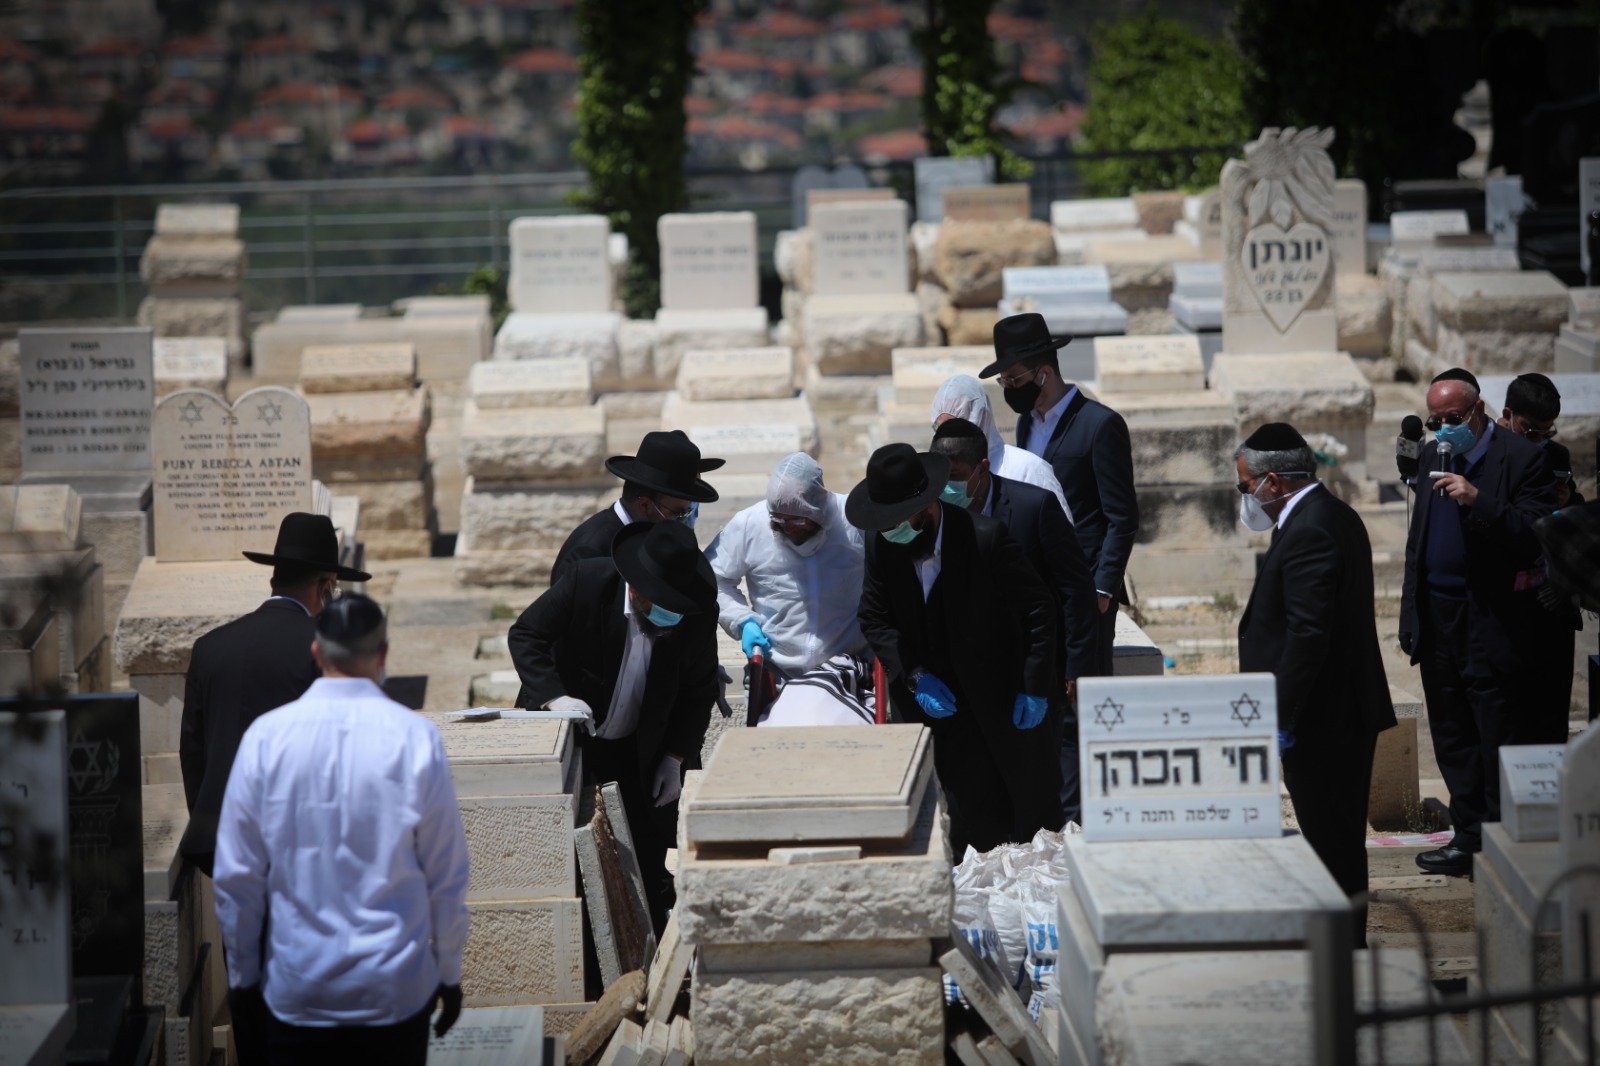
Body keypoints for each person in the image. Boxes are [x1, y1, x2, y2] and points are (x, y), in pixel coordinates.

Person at [213, 594, 470, 1066]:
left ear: (317, 652)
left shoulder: (266, 738)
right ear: (383, 654)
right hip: (393, 987)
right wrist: (449, 972)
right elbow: (446, 873)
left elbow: (237, 875)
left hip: (300, 987)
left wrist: (243, 979)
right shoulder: (414, 738)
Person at [851, 442, 1060, 856]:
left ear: (926, 508)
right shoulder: (882, 543)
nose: (891, 532)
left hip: (992, 703)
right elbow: (874, 618)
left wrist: (1034, 685)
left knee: (1003, 821)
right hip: (927, 705)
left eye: (898, 522)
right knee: (941, 822)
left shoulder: (985, 539)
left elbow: (1039, 610)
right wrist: (914, 676)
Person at [507, 521, 719, 929]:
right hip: (576, 738)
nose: (669, 616)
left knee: (643, 860)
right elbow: (526, 635)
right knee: (569, 859)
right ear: (635, 590)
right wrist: (554, 697)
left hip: (639, 749)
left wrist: (674, 758)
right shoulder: (587, 582)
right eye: (661, 605)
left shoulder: (695, 613)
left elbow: (699, 690)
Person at [1234, 423, 1395, 929]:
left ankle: (1344, 954)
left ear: (1273, 482)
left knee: (1332, 847)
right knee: (1335, 842)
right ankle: (1342, 948)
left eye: (1245, 486)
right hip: (1333, 714)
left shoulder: (1311, 529)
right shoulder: (1330, 514)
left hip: (1323, 721)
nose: (1245, 498)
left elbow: (1308, 636)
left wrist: (1279, 716)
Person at [1399, 368, 1558, 876]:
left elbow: (1535, 533)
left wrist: (1477, 499)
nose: (1444, 428)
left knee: (1494, 730)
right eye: (1436, 420)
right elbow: (1418, 542)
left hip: (1491, 617)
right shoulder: (1432, 456)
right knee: (1451, 732)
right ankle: (1467, 837)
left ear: (1479, 410)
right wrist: (1410, 612)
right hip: (1439, 615)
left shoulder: (1523, 458)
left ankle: (1499, 840)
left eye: (1454, 417)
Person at [180, 512, 371, 879]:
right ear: (325, 588)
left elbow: (193, 751)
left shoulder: (210, 647)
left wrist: (212, 824)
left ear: (273, 579)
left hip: (222, 842)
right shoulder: (326, 650)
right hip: (299, 847)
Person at [930, 418, 1102, 821]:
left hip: (1033, 670)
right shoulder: (938, 515)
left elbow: (1074, 591)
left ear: (982, 469)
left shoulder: (1033, 507)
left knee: (1037, 785)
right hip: (970, 675)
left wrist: (1076, 668)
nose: (947, 487)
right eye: (941, 478)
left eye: (955, 477)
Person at [982, 313, 1139, 664]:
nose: (1008, 389)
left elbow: (1122, 517)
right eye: (1003, 382)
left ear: (1044, 373)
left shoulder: (1100, 425)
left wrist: (1102, 588)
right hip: (1040, 584)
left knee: (1086, 680)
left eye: (1013, 379)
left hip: (1085, 585)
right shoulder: (1026, 424)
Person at [704, 452, 874, 726]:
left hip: (847, 672)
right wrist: (742, 620)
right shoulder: (749, 525)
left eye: (797, 520)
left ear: (819, 507)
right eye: (779, 519)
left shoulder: (851, 521)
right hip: (777, 673)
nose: (788, 527)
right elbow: (713, 579)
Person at [1497, 372, 1581, 742]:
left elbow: (1574, 514)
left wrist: (1567, 501)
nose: (1539, 440)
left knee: (1550, 706)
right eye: (1530, 430)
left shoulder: (1556, 455)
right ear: (1508, 415)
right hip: (1504, 599)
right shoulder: (1491, 452)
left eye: (1547, 432)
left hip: (1549, 598)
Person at [550, 429, 724, 584]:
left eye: (687, 513)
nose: (682, 524)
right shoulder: (588, 552)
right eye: (677, 514)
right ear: (644, 505)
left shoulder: (654, 538)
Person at [929, 374, 1073, 522]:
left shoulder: (1028, 470)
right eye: (941, 429)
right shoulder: (936, 477)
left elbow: (1060, 530)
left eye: (957, 428)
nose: (948, 438)